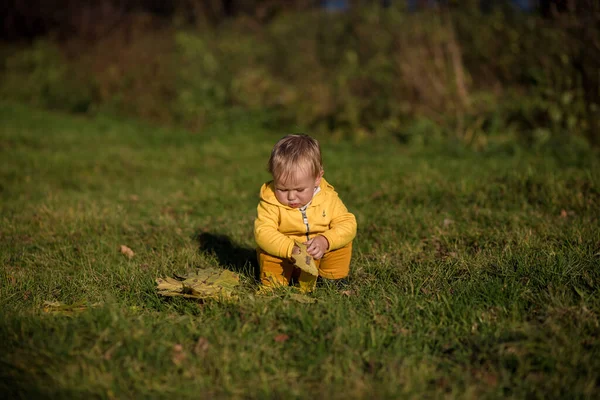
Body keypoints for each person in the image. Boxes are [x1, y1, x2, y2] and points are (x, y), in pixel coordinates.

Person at [254, 134, 357, 291]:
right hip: (286, 256)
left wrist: (325, 241)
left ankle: (332, 279)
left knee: (341, 242)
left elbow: (347, 224)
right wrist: (290, 249)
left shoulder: (328, 198)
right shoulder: (271, 202)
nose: (291, 196)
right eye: (282, 189)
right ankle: (275, 285)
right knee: (270, 252)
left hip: (318, 254)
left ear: (317, 178)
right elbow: (263, 232)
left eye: (300, 189)